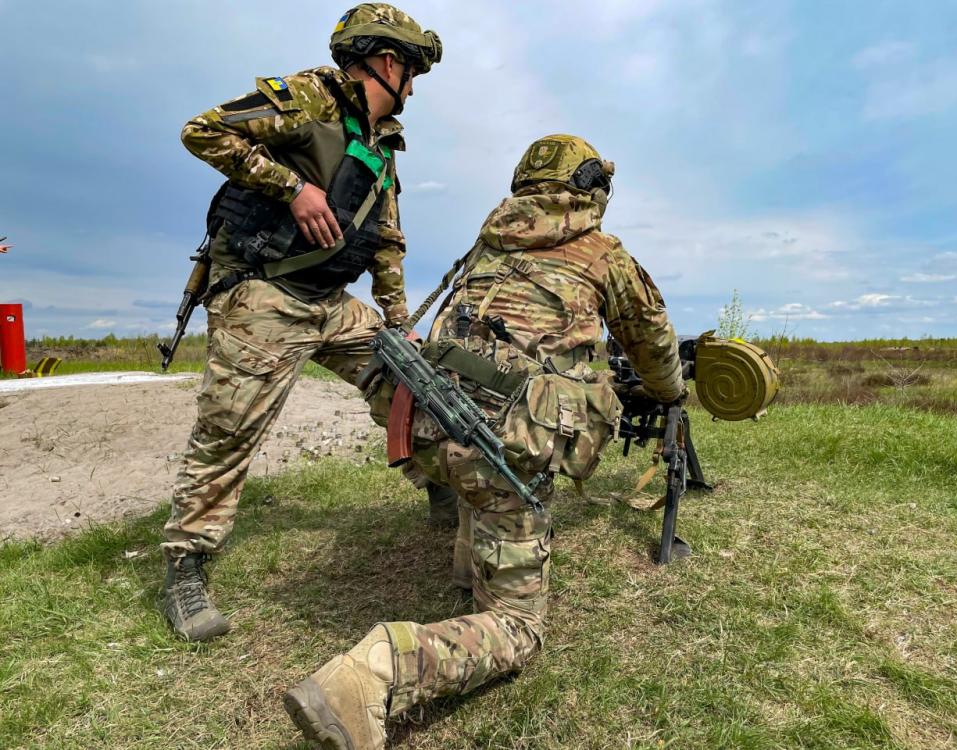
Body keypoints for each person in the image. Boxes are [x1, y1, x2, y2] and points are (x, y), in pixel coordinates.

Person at [283, 134, 687, 749]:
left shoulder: (488, 243)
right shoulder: (605, 256)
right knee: (519, 628)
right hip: (497, 452)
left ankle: (469, 561)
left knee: (486, 452)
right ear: (591, 191)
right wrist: (671, 391)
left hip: (427, 426)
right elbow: (653, 346)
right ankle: (375, 673)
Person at [161, 3, 444, 642]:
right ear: (390, 62)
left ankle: (441, 487)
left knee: (410, 382)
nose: (414, 88)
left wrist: (399, 322)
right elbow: (201, 131)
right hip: (265, 296)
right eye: (414, 73)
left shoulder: (381, 143)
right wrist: (292, 187)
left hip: (331, 302)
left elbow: (387, 239)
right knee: (228, 431)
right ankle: (185, 565)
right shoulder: (310, 100)